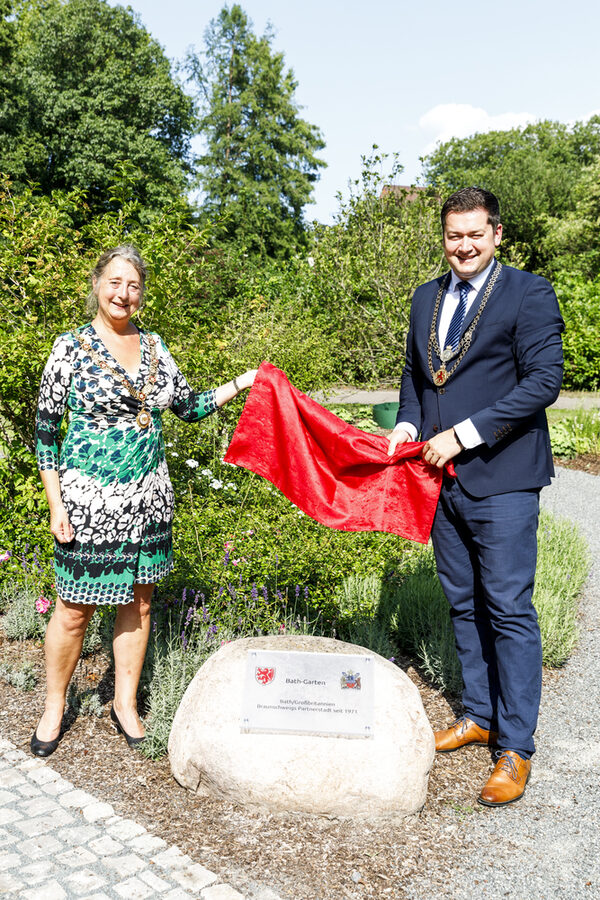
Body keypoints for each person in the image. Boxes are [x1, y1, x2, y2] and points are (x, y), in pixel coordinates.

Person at [33, 245, 256, 757]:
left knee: (139, 601)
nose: (122, 294)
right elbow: (46, 435)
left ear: (142, 292)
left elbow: (190, 406)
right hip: (86, 501)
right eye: (114, 282)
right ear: (97, 284)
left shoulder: (155, 346)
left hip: (149, 497)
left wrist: (245, 381)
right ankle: (53, 705)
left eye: (132, 285)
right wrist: (56, 504)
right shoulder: (69, 348)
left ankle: (124, 704)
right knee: (73, 609)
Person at [388, 187, 564, 807]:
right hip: (439, 482)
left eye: (473, 234)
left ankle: (516, 746)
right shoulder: (425, 297)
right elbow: (416, 374)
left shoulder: (528, 294)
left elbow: (544, 382)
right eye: (452, 235)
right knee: (463, 604)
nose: (462, 245)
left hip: (503, 478)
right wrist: (410, 425)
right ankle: (480, 714)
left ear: (496, 235)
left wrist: (463, 435)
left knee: (509, 609)